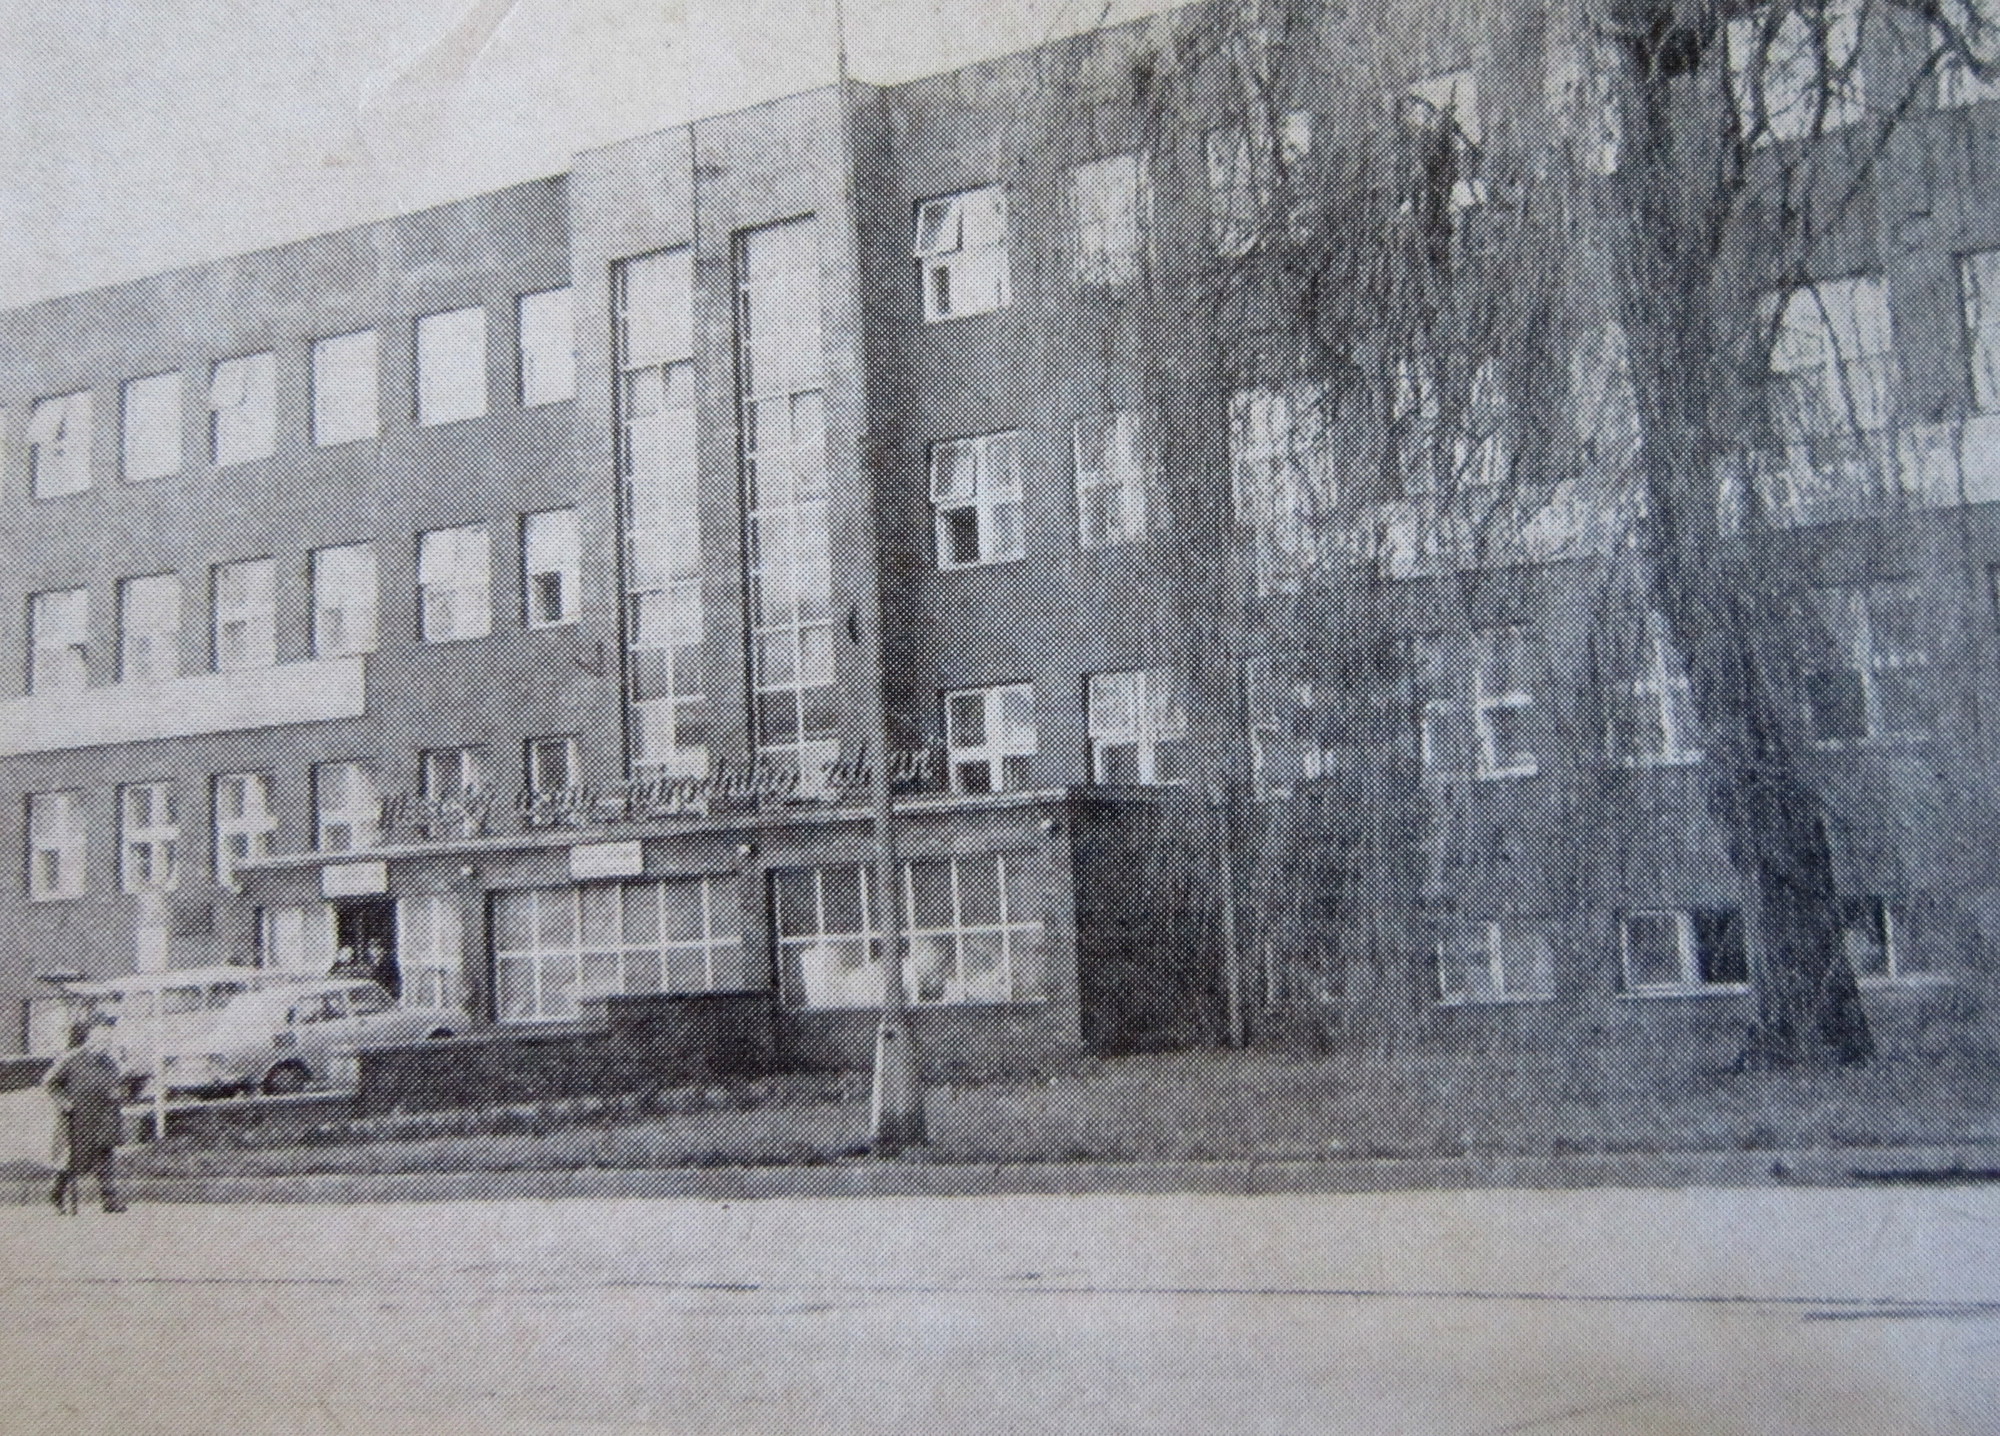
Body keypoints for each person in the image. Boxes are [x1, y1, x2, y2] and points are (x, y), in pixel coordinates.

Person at [42, 1024, 126, 1214]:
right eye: (102, 1041)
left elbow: (118, 1087)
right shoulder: (71, 1059)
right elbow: (49, 1082)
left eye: (108, 1042)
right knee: (68, 1160)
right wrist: (64, 1102)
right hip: (77, 1117)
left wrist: (118, 1094)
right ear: (90, 1040)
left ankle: (109, 1201)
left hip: (103, 1117)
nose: (105, 1045)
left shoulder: (110, 1063)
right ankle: (56, 1198)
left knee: (105, 1157)